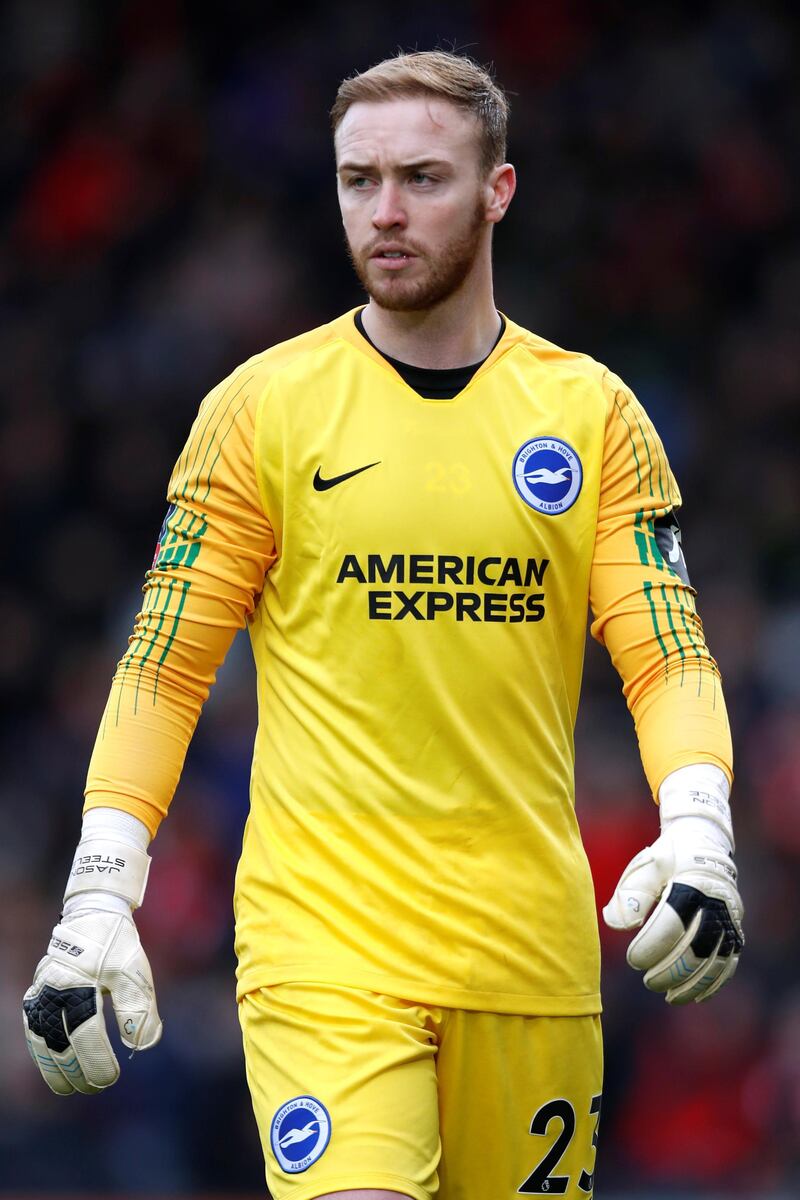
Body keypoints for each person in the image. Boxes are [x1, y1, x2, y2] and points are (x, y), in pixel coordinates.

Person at [23, 50, 744, 1200]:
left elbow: (664, 650)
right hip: (326, 952)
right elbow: (163, 667)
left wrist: (697, 826)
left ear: (497, 191)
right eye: (358, 181)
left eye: (422, 178)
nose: (386, 213)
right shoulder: (262, 409)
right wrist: (100, 889)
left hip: (529, 958)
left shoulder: (590, 413)